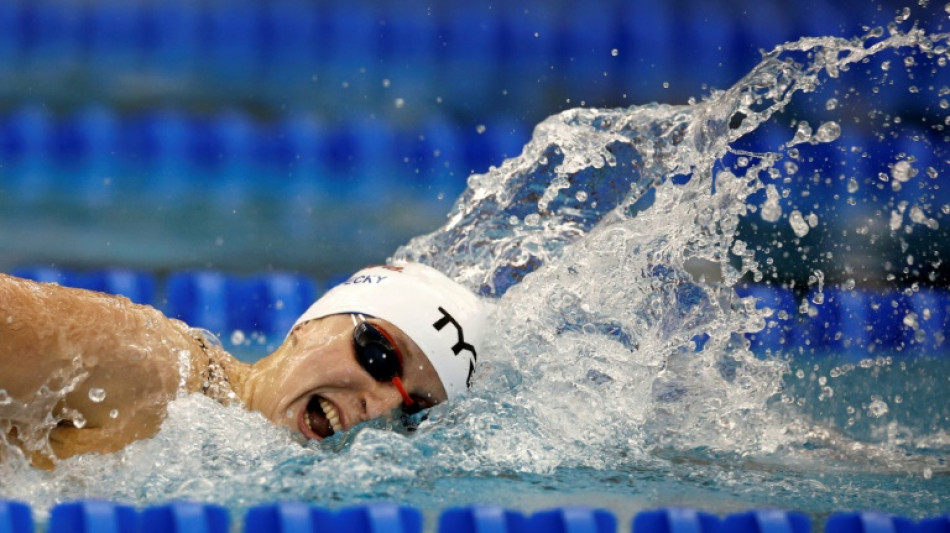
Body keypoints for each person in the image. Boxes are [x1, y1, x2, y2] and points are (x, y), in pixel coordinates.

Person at [0, 262, 486, 469]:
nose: (378, 406)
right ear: (309, 323)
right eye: (380, 355)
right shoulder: (150, 365)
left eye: (413, 410)